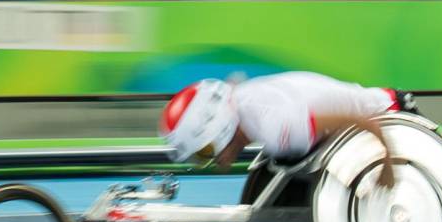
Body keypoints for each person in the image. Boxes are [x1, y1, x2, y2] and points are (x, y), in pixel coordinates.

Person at [159, 72, 421, 190]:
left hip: (393, 115)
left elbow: (362, 121)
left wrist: (388, 166)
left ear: (219, 129)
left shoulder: (276, 127)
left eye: (206, 153)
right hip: (377, 116)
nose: (215, 163)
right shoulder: (241, 102)